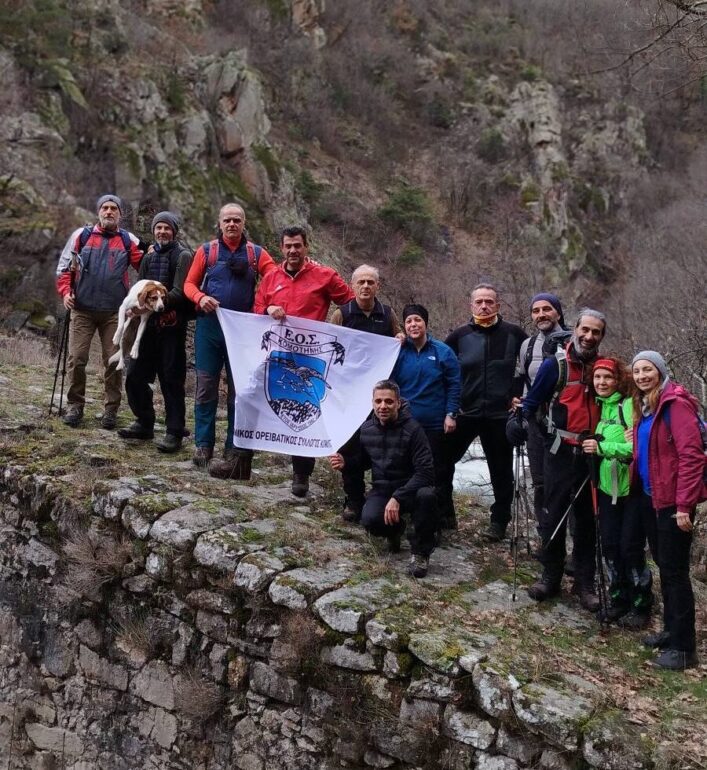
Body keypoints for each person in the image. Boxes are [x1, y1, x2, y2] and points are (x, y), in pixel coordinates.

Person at [508, 309, 606, 611]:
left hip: (593, 454)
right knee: (554, 515)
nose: (588, 336)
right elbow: (532, 401)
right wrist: (516, 421)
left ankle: (585, 583)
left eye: (596, 332)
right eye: (585, 330)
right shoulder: (555, 366)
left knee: (588, 520)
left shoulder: (606, 367)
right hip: (559, 451)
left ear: (601, 336)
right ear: (574, 329)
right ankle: (550, 576)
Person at [254, 226, 354, 496]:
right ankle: (243, 457)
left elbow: (352, 304)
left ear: (307, 247)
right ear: (281, 248)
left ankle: (301, 474)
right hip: (276, 353)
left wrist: (338, 328)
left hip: (311, 355)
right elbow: (256, 309)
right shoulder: (271, 276)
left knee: (304, 407)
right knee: (258, 398)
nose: (293, 250)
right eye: (288, 246)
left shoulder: (325, 275)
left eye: (298, 245)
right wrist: (267, 309)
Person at [183, 203, 277, 475]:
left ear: (244, 223)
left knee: (240, 392)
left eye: (237, 220)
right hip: (209, 327)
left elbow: (277, 279)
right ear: (220, 222)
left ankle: (234, 447)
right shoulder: (207, 251)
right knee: (205, 386)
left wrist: (267, 305)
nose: (232, 224)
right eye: (227, 220)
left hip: (244, 332)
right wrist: (201, 297)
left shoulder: (256, 254)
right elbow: (189, 284)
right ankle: (203, 444)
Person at [630, 351, 703, 670]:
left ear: (660, 371)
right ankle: (671, 632)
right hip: (651, 497)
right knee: (664, 566)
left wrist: (685, 505)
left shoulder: (675, 405)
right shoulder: (646, 406)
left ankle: (684, 649)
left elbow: (692, 457)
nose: (642, 375)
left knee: (675, 573)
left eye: (648, 369)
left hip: (674, 503)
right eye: (637, 371)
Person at [443, 283, 526, 541]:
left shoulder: (515, 334)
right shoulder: (459, 336)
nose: (484, 306)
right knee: (442, 462)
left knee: (501, 472)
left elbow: (528, 369)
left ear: (498, 305)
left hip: (500, 416)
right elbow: (443, 369)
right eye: (479, 301)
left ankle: (499, 522)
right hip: (465, 412)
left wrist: (517, 394)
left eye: (489, 301)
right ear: (471, 305)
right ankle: (445, 514)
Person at [329, 380, 437, 578]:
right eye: (378, 401)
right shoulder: (367, 429)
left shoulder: (414, 430)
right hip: (383, 488)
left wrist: (398, 497)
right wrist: (346, 463)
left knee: (427, 495)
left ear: (398, 403)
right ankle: (395, 530)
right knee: (369, 520)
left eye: (388, 401)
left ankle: (420, 553)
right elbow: (363, 462)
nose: (382, 406)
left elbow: (426, 472)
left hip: (411, 488)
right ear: (372, 403)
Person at [55, 194, 144, 429]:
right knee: (76, 359)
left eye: (114, 208)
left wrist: (141, 301)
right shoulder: (81, 236)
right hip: (82, 309)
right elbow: (64, 268)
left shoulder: (128, 240)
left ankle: (111, 410)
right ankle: (75, 405)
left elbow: (144, 269)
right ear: (98, 212)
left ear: (120, 214)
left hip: (115, 312)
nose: (109, 212)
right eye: (105, 208)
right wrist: (66, 293)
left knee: (113, 361)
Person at [581, 357, 652, 627]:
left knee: (631, 548)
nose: (601, 382)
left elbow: (636, 451)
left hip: (631, 491)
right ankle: (619, 598)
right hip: (607, 488)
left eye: (607, 378)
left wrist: (601, 448)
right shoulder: (600, 407)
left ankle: (641, 604)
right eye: (597, 377)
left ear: (618, 379)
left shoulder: (628, 406)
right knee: (610, 546)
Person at [117, 212, 193, 452]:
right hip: (147, 325)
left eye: (167, 228)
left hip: (172, 326)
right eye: (158, 228)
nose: (162, 232)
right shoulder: (149, 259)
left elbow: (181, 291)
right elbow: (140, 287)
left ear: (174, 231)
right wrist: (135, 308)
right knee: (135, 374)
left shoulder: (183, 256)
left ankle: (174, 431)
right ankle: (144, 421)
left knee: (171, 379)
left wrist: (159, 306)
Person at [330, 264, 402, 520]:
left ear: (377, 286)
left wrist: (400, 336)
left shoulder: (388, 313)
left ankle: (382, 496)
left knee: (382, 446)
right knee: (350, 447)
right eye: (361, 282)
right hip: (349, 395)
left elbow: (398, 336)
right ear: (353, 285)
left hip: (380, 398)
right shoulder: (342, 314)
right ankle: (353, 499)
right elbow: (330, 346)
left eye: (370, 282)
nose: (366, 286)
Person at [392, 304, 461, 529]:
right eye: (409, 321)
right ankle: (411, 512)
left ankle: (442, 516)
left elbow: (454, 385)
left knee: (439, 470)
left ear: (425, 323)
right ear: (404, 325)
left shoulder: (443, 351)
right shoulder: (398, 352)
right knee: (407, 469)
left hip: (435, 423)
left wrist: (451, 414)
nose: (413, 325)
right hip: (405, 422)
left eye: (417, 320)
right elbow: (388, 383)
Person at [514, 293, 567, 534]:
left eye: (547, 309)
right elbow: (523, 379)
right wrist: (517, 402)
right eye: (536, 311)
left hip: (568, 424)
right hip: (536, 421)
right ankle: (546, 535)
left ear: (558, 312)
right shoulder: (528, 345)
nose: (541, 314)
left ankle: (574, 544)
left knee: (567, 483)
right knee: (540, 481)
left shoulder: (574, 341)